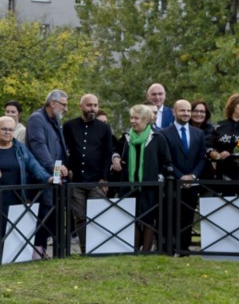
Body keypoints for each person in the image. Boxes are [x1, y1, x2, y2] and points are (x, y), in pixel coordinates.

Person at [113, 104, 173, 252]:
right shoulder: (126, 137)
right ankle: (132, 249)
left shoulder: (158, 138)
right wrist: (115, 157)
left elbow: (167, 162)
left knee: (148, 219)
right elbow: (116, 151)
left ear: (146, 120)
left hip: (150, 187)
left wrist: (159, 177)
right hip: (128, 185)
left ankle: (146, 251)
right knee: (130, 217)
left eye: (136, 118)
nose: (133, 121)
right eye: (131, 117)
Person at [63, 93, 114, 253]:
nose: (92, 108)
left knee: (97, 215)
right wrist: (68, 168)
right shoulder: (69, 126)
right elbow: (64, 150)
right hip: (76, 180)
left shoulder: (104, 128)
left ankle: (98, 248)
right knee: (80, 217)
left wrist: (104, 178)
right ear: (81, 106)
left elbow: (107, 154)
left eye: (95, 105)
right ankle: (85, 249)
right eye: (89, 105)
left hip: (96, 180)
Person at [26, 90, 70, 260]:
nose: (65, 108)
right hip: (43, 175)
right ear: (53, 103)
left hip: (57, 174)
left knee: (54, 212)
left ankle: (48, 250)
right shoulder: (37, 118)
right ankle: (37, 251)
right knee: (44, 212)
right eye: (63, 104)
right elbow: (38, 147)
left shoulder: (55, 120)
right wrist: (53, 167)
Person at [159, 99, 206, 252]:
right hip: (173, 184)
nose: (186, 114)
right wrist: (181, 177)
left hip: (192, 185)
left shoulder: (198, 133)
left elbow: (202, 158)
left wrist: (192, 176)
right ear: (174, 112)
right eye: (182, 110)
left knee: (188, 217)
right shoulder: (164, 134)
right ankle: (169, 248)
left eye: (188, 111)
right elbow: (166, 160)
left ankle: (185, 249)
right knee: (170, 216)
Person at [0, 116, 51, 227]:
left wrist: (48, 178)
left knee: (14, 232)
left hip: (17, 197)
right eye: (4, 129)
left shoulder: (20, 148)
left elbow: (34, 165)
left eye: (11, 130)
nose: (7, 132)